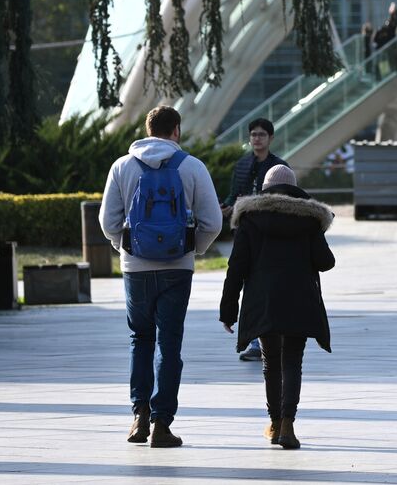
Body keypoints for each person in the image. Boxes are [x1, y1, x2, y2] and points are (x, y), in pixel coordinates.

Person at [100, 106, 222, 448]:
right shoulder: (192, 166)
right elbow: (213, 221)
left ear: (147, 128)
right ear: (177, 131)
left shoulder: (123, 166)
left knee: (140, 339)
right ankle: (161, 424)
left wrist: (124, 247)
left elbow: (108, 222)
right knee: (169, 345)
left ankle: (138, 415)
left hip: (135, 268)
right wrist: (191, 248)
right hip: (176, 268)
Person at [220, 165, 335, 448]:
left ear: (266, 188)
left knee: (271, 361)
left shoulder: (250, 219)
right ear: (293, 188)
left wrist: (228, 308)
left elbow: (237, 266)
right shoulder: (308, 220)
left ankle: (274, 422)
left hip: (263, 300)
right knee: (292, 360)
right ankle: (288, 424)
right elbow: (326, 261)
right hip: (299, 298)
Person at [222, 118, 287, 362]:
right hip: (245, 233)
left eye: (261, 135)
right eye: (253, 135)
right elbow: (234, 194)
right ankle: (254, 340)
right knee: (248, 285)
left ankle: (271, 337)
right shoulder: (241, 165)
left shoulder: (279, 167)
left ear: (271, 138)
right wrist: (227, 206)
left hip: (271, 236)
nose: (256, 139)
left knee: (270, 286)